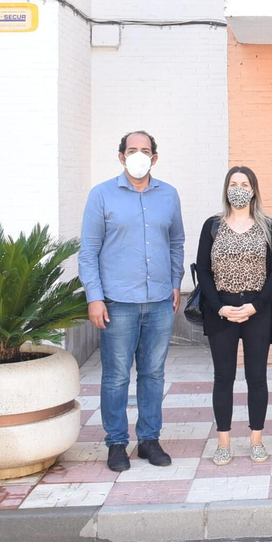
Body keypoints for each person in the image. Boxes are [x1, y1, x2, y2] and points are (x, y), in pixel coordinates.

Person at [79, 131, 185, 473]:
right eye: (132, 150)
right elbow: (88, 251)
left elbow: (176, 242)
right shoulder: (102, 195)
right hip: (118, 303)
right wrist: (95, 297)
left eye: (145, 150)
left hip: (159, 301)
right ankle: (116, 442)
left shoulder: (168, 195)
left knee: (153, 374)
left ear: (154, 158)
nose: (139, 155)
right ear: (121, 156)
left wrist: (175, 282)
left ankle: (149, 440)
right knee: (116, 377)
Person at [190, 166, 272, 466]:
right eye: (233, 184)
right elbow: (203, 270)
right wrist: (218, 306)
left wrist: (257, 305)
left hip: (258, 310)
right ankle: (223, 442)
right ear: (226, 188)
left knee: (257, 377)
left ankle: (256, 439)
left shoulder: (267, 226)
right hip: (221, 310)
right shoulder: (212, 225)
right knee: (223, 377)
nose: (239, 189)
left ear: (253, 190)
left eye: (244, 184)